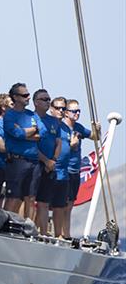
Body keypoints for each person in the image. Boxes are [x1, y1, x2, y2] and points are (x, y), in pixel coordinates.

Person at [3, 83, 41, 217]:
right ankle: (6, 224)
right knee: (13, 197)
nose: (28, 97)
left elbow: (41, 134)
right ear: (15, 97)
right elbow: (15, 133)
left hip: (34, 162)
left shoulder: (32, 115)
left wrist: (23, 133)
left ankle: (28, 227)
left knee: (30, 198)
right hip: (17, 162)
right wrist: (31, 132)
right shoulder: (9, 115)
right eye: (25, 95)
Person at [62, 98, 99, 237]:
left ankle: (67, 234)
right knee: (61, 205)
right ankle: (60, 233)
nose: (77, 113)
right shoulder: (61, 127)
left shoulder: (79, 128)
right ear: (66, 113)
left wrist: (97, 130)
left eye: (78, 111)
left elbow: (96, 137)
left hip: (75, 171)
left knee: (70, 204)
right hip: (63, 170)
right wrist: (71, 146)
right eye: (74, 111)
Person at [33, 89, 62, 235]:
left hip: (50, 165)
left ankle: (43, 234)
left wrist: (53, 161)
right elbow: (31, 144)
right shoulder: (30, 118)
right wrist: (45, 160)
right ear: (36, 102)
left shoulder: (54, 121)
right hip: (34, 164)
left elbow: (58, 143)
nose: (47, 101)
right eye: (44, 99)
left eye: (48, 99)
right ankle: (27, 229)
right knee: (29, 199)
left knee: (44, 202)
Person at [50, 97, 71, 237]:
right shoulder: (47, 124)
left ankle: (58, 235)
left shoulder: (66, 128)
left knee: (60, 206)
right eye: (58, 108)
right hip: (48, 169)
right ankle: (38, 231)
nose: (61, 111)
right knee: (39, 203)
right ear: (51, 109)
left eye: (63, 108)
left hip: (63, 174)